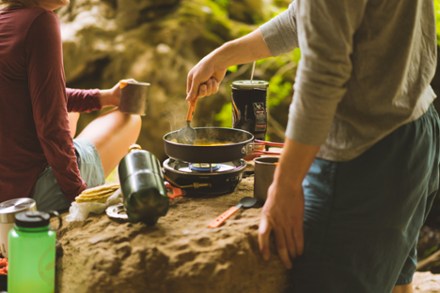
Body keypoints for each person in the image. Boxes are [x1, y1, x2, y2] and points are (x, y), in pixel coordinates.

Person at [186, 1, 440, 292]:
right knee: (396, 282)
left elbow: (322, 76)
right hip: (415, 129)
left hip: (362, 154)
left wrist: (285, 186)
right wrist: (225, 56)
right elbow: (309, 18)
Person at [0, 0, 142, 212]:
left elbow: (37, 95)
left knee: (71, 114)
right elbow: (51, 125)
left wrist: (105, 97)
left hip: (6, 187)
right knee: (129, 119)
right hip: (30, 195)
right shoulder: (40, 21)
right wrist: (78, 194)